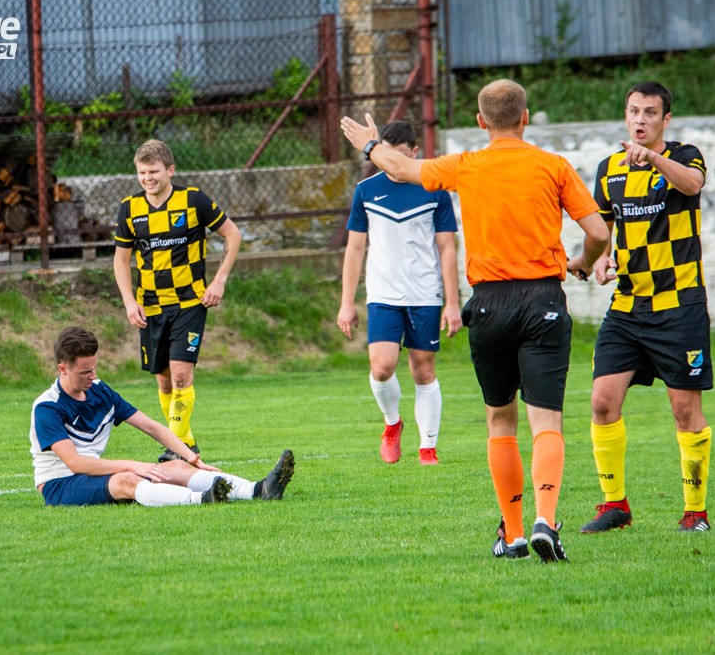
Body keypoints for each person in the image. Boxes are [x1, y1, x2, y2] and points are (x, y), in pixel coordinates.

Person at [341, 81, 610, 563]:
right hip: (544, 300)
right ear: (524, 117)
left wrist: (369, 144)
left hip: (489, 304)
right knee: (546, 419)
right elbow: (598, 232)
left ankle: (514, 534)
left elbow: (399, 168)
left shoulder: (466, 165)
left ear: (482, 122)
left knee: (500, 419)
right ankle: (546, 520)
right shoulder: (552, 165)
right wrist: (584, 262)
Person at [575, 81, 714, 534]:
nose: (640, 119)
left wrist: (653, 159)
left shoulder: (685, 156)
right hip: (627, 307)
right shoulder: (609, 168)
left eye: (650, 112)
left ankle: (695, 512)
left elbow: (692, 184)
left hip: (679, 305)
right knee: (601, 401)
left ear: (665, 119)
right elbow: (603, 229)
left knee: (684, 410)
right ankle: (615, 505)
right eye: (634, 111)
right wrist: (599, 260)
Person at [29, 326, 294, 507]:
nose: (93, 376)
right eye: (85, 372)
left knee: (177, 467)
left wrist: (191, 458)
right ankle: (203, 499)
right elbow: (76, 463)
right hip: (60, 484)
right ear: (63, 368)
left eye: (95, 368)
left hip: (94, 475)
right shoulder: (47, 407)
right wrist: (132, 465)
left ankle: (259, 490)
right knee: (127, 479)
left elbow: (151, 426)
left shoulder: (100, 391)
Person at [337, 120, 462, 466]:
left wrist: (452, 303)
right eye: (387, 155)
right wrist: (347, 302)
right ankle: (392, 424)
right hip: (383, 294)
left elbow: (447, 249)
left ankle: (427, 448)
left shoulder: (434, 189)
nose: (393, 163)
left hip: (425, 294)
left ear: (415, 153)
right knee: (381, 367)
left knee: (423, 370)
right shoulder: (366, 190)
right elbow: (355, 249)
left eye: (401, 156)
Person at [113, 139, 242, 462]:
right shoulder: (130, 208)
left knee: (182, 375)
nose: (148, 178)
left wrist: (219, 280)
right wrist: (129, 301)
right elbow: (120, 260)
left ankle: (174, 450)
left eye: (154, 171)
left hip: (190, 304)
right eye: (142, 173)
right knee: (164, 381)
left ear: (170, 170)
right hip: (150, 307)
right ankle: (187, 445)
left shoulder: (193, 200)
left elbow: (233, 235)